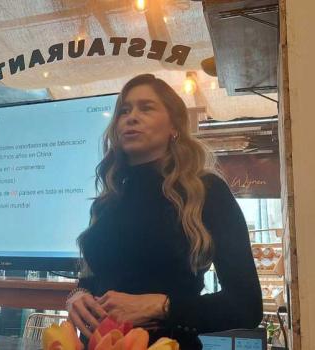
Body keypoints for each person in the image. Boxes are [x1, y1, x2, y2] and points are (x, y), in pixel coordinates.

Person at [65, 74, 263, 349]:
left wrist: (162, 306)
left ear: (174, 126)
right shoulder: (108, 200)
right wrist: (77, 296)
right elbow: (93, 278)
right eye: (124, 110)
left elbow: (247, 305)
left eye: (146, 108)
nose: (131, 117)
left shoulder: (206, 191)